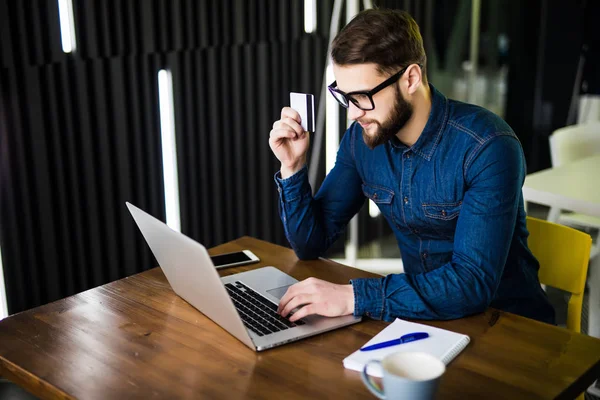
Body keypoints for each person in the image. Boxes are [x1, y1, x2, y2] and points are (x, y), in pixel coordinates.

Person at [268, 9, 555, 325]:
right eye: (344, 96)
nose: (352, 113)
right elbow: (310, 243)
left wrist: (352, 296)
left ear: (411, 79)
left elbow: (472, 283)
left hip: (510, 328)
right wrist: (292, 166)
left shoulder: (488, 146)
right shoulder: (361, 140)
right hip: (424, 321)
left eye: (362, 96)